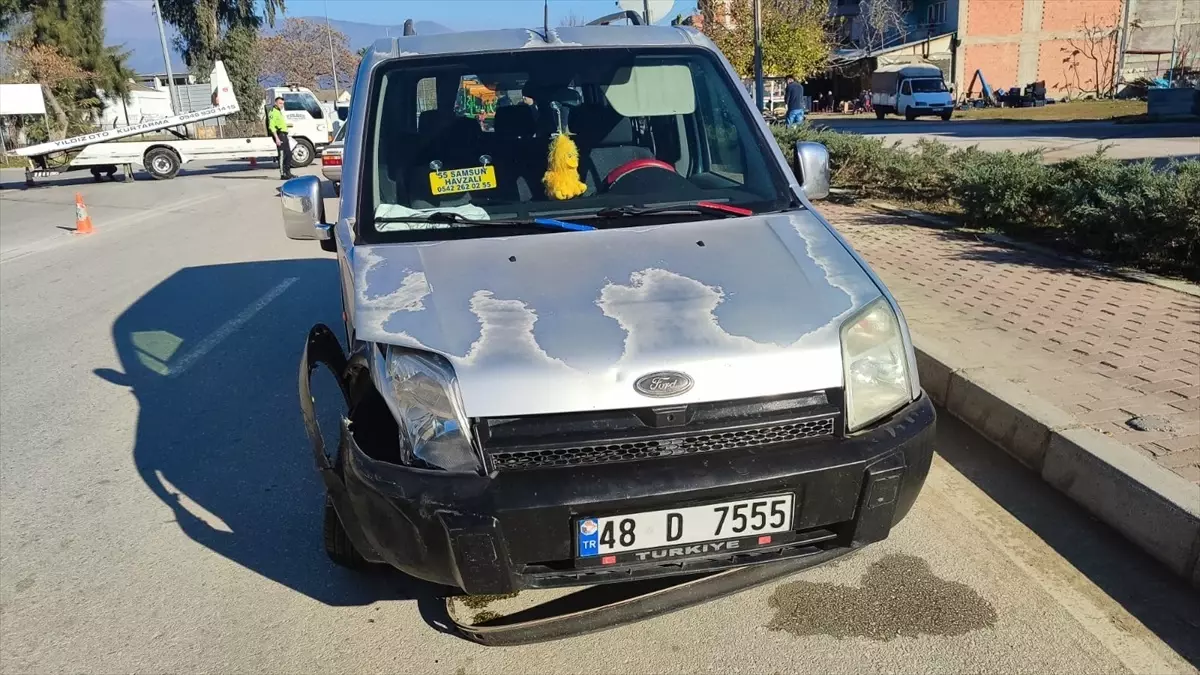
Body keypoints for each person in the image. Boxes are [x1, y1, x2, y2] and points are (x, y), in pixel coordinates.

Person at [267, 96, 294, 180]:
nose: (281, 105)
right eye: (280, 103)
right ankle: (283, 174)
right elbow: (272, 126)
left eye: (283, 103)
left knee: (289, 154)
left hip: (284, 135)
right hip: (279, 135)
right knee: (282, 155)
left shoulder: (279, 112)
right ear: (276, 103)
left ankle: (288, 173)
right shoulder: (273, 112)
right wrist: (277, 138)